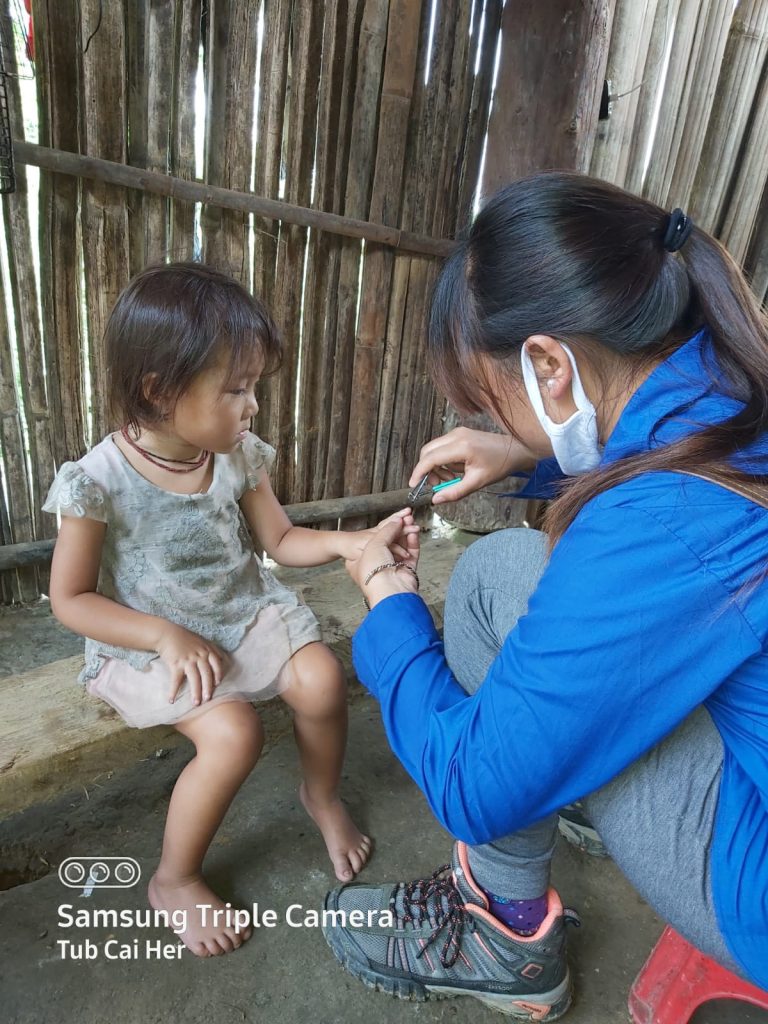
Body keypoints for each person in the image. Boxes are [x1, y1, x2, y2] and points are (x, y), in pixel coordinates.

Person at [321, 172, 768, 1020]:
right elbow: (667, 452)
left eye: (488, 400)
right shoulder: (733, 372)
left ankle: (504, 933)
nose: (489, 417)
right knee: (499, 574)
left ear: (549, 365)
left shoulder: (663, 524)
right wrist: (528, 457)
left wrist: (387, 606)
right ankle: (576, 787)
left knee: (490, 626)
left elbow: (471, 786)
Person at [42, 262, 418, 959]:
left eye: (255, 389)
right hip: (149, 637)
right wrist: (163, 633)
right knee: (233, 733)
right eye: (236, 390)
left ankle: (322, 796)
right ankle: (174, 880)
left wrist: (355, 542)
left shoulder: (236, 456)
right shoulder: (96, 482)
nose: (252, 408)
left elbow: (277, 539)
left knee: (322, 680)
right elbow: (70, 600)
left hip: (239, 610)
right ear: (161, 390)